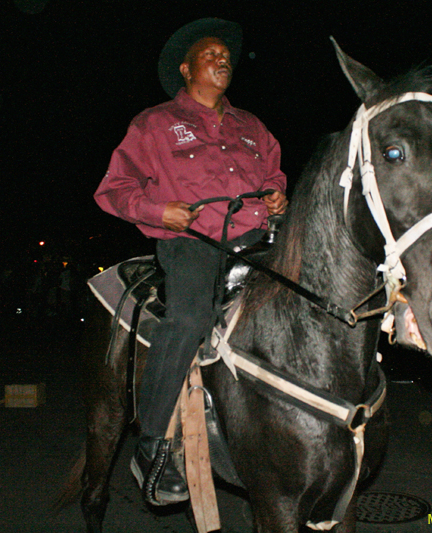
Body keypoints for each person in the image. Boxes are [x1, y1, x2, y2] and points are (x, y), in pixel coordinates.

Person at [93, 18, 287, 505]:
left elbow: (275, 172)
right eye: (211, 54)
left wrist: (279, 194)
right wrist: (161, 211)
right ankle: (152, 444)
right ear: (186, 68)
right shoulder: (153, 124)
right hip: (194, 242)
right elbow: (112, 190)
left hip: (261, 240)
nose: (223, 60)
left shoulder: (252, 127)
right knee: (189, 316)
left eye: (227, 56)